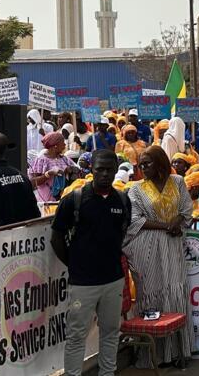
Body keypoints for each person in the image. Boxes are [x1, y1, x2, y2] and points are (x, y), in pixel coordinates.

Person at [50, 149, 131, 376]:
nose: (104, 174)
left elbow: (120, 234)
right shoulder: (73, 200)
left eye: (109, 169)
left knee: (111, 332)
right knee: (76, 336)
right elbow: (56, 238)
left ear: (116, 170)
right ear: (91, 170)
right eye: (99, 169)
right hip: (83, 283)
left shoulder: (123, 200)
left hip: (113, 281)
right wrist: (75, 264)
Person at [123, 146, 194, 368]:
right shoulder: (136, 190)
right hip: (148, 248)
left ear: (160, 162)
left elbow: (186, 210)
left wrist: (178, 221)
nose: (142, 168)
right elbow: (135, 220)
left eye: (147, 163)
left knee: (175, 290)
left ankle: (177, 353)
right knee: (151, 293)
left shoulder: (179, 182)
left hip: (173, 245)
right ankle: (155, 356)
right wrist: (166, 225)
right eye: (140, 165)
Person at [29, 131, 79, 204]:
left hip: (63, 200)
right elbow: (33, 182)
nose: (65, 144)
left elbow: (77, 171)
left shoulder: (64, 158)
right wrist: (48, 174)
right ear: (55, 145)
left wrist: (70, 170)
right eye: (62, 142)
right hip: (47, 202)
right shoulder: (41, 160)